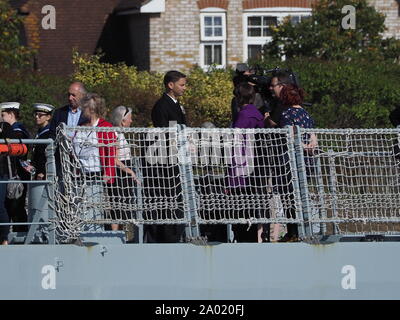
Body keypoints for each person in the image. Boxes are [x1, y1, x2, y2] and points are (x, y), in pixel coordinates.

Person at [146, 70, 187, 243]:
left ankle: (176, 232)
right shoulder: (162, 106)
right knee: (168, 198)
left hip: (178, 159)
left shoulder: (177, 104)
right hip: (166, 163)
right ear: (170, 85)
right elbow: (164, 133)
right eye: (182, 85)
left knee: (178, 198)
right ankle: (167, 235)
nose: (185, 88)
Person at [72, 93, 116, 232]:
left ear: (91, 109)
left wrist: (109, 173)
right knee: (80, 207)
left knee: (94, 207)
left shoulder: (105, 127)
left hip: (97, 174)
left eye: (84, 108)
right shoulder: (81, 127)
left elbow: (111, 152)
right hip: (80, 175)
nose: (81, 111)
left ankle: (95, 233)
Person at [228, 83, 267, 243]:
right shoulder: (257, 115)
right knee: (251, 212)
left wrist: (231, 179)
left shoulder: (243, 117)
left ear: (238, 98)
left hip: (241, 172)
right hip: (255, 169)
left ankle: (243, 244)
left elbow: (236, 148)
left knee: (240, 215)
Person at [1, 102, 31, 233]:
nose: (1, 118)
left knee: (15, 206)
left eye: (3, 115)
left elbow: (17, 148)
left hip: (17, 173)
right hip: (14, 173)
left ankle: (20, 234)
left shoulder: (18, 130)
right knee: (12, 206)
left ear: (11, 114)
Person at [109, 105, 139, 232]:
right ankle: (116, 235)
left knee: (124, 207)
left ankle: (123, 235)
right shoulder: (115, 134)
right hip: (119, 175)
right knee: (118, 207)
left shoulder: (121, 134)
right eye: (129, 118)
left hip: (124, 174)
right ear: (122, 120)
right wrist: (128, 170)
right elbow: (114, 158)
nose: (131, 121)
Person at [0, 102, 20, 245]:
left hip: (2, 173)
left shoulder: (4, 127)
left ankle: (4, 238)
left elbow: (11, 143)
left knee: (0, 206)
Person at [31, 103, 54, 180]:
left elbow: (47, 155)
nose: (37, 117)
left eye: (40, 115)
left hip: (44, 173)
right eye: (35, 114)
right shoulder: (40, 131)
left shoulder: (49, 133)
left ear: (48, 117)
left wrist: (43, 172)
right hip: (36, 170)